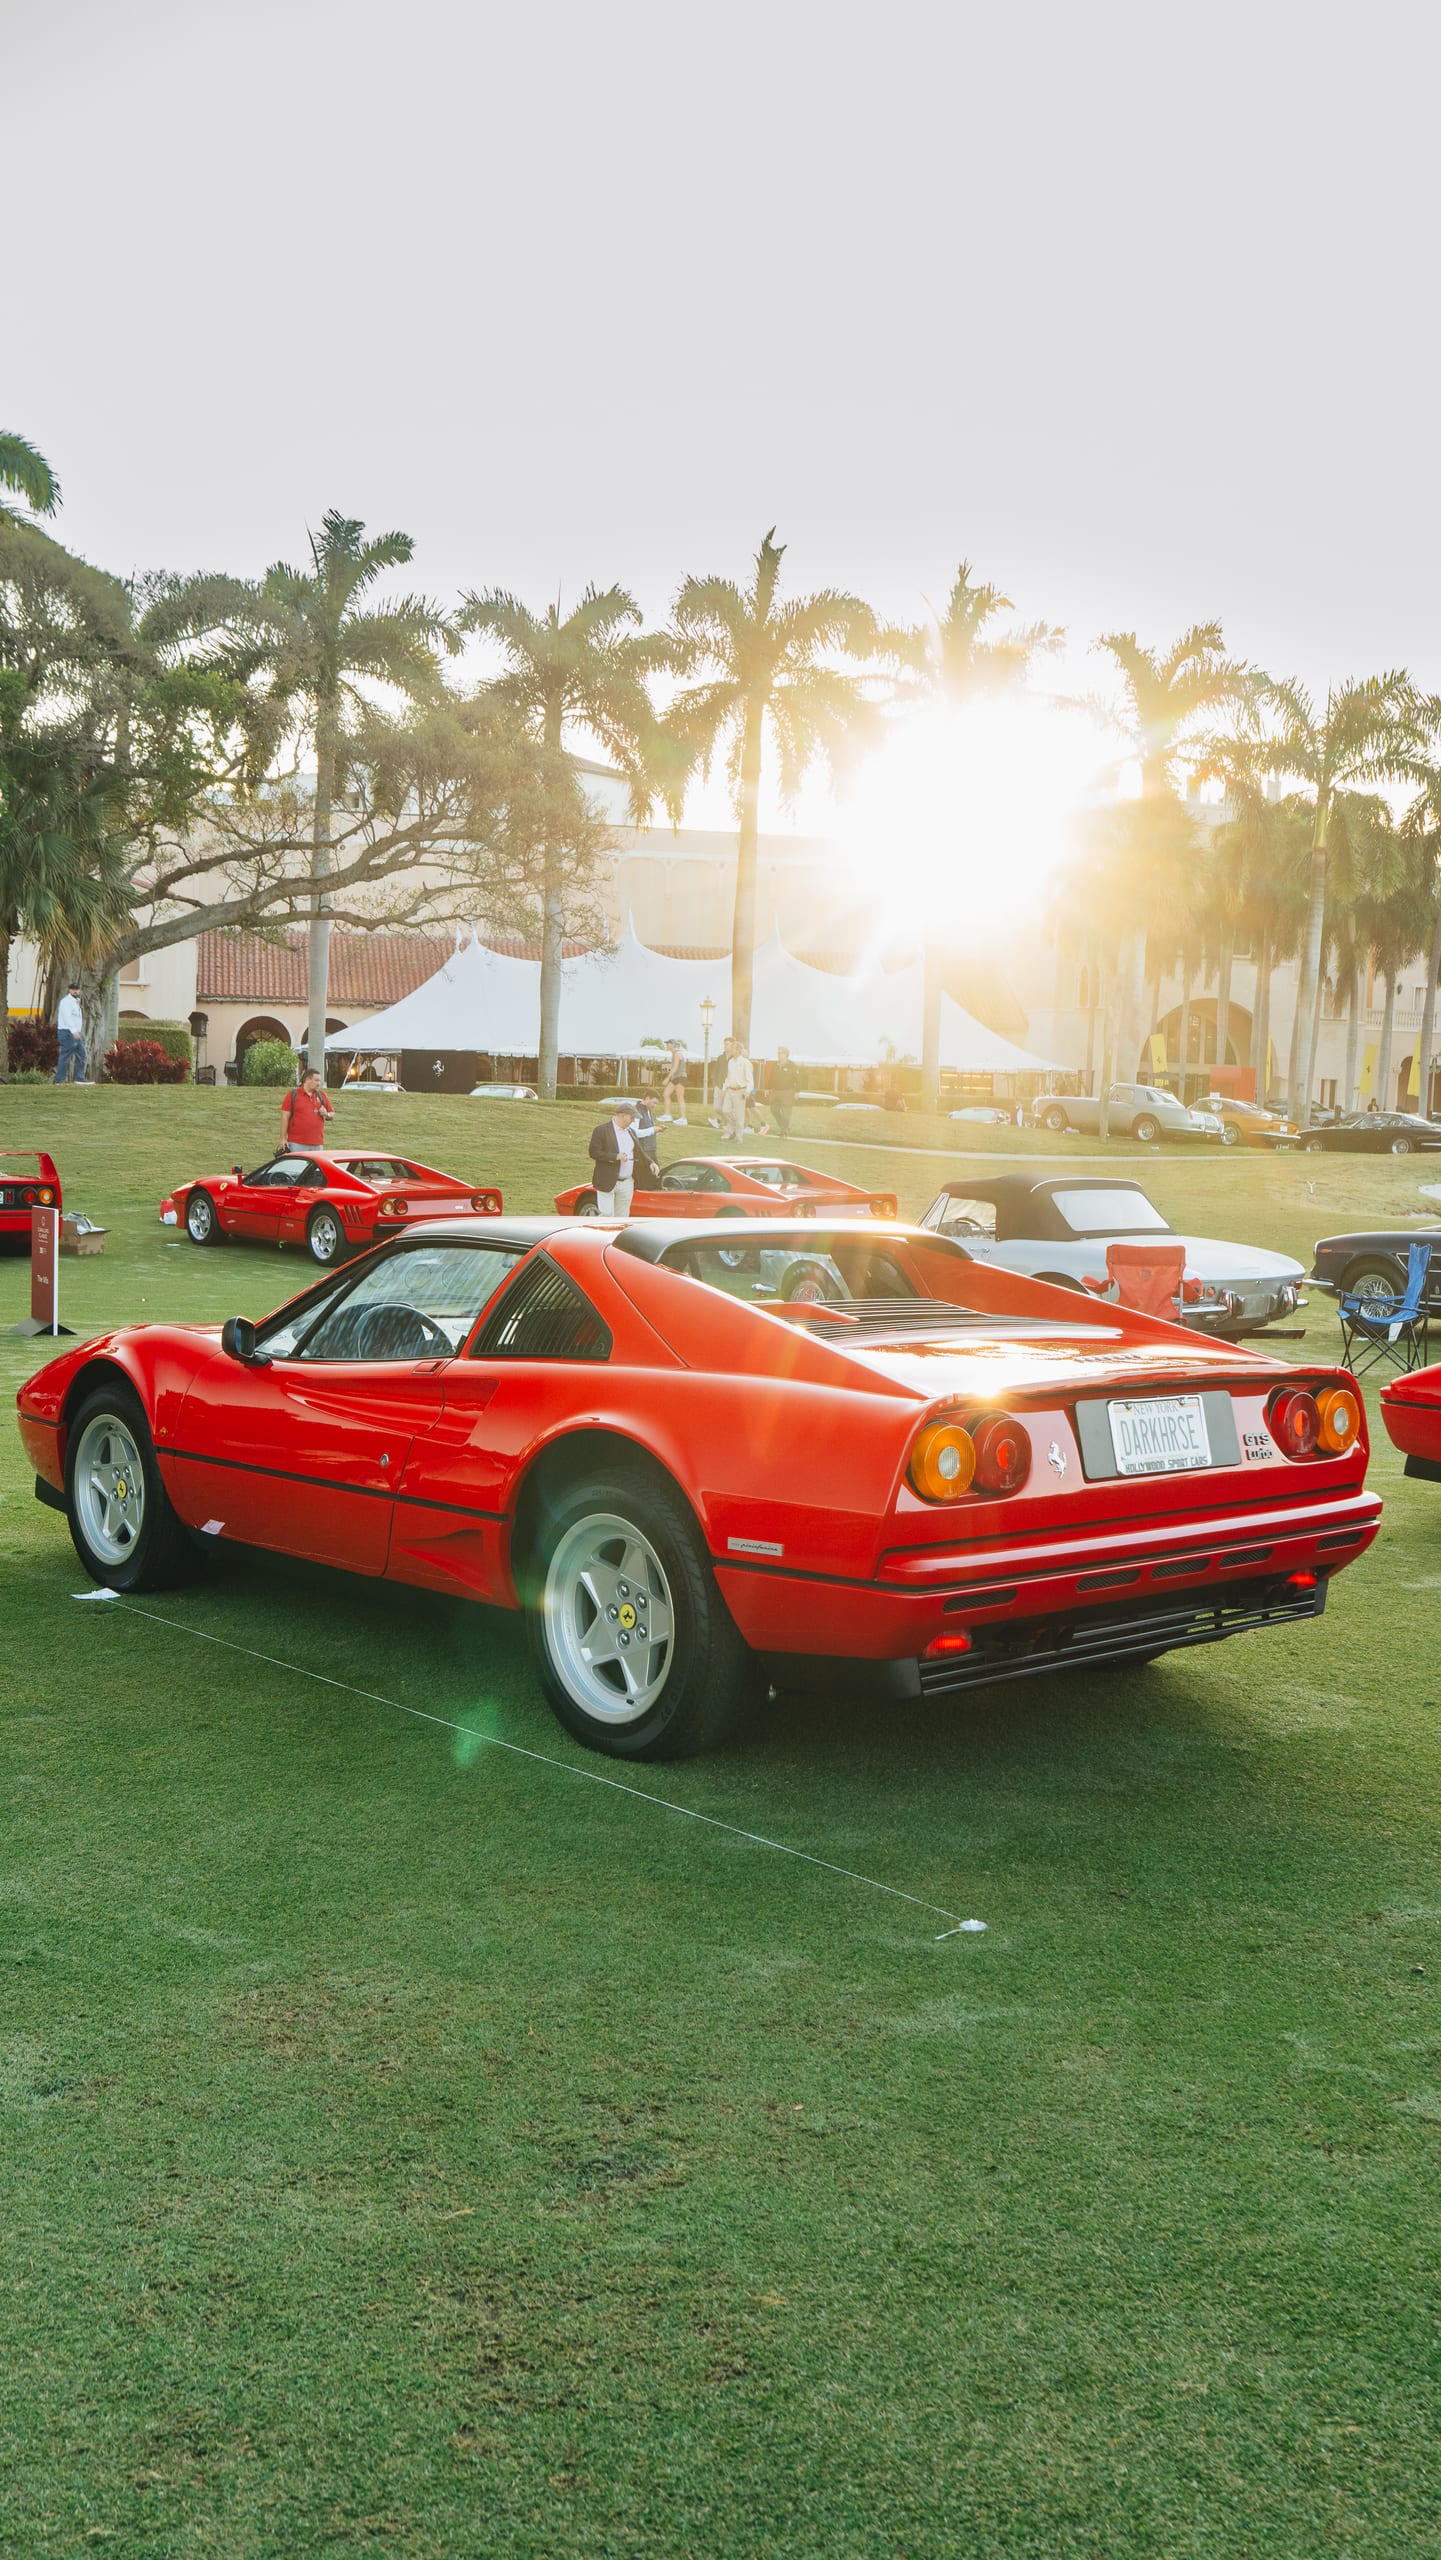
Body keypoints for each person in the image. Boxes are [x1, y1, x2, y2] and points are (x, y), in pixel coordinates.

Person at [589, 1100, 638, 1215]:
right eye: (632, 1118)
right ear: (623, 1116)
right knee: (607, 1215)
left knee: (623, 1217)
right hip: (607, 1180)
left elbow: (639, 1152)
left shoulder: (631, 1132)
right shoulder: (601, 1130)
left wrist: (651, 1163)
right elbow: (594, 1152)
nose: (633, 1121)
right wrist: (615, 1156)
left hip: (627, 1182)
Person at [280, 1064, 334, 1151]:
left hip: (317, 1143)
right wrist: (283, 1138)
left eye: (319, 1081)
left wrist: (326, 1114)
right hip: (296, 1142)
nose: (318, 1083)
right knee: (297, 1165)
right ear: (308, 1080)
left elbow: (332, 1113)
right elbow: (284, 1117)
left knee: (317, 1165)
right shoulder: (293, 1094)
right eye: (316, 1080)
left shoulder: (322, 1095)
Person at [720, 1036, 754, 1140]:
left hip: (740, 1092)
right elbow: (728, 1077)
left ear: (738, 1050)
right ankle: (732, 1128)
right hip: (730, 1090)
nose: (730, 1049)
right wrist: (724, 1088)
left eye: (733, 1048)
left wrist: (747, 1092)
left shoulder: (745, 1062)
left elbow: (750, 1079)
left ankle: (738, 1137)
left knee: (740, 1116)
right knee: (725, 1110)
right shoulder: (730, 1062)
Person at [53, 984, 86, 1084]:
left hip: (74, 1032)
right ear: (69, 990)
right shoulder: (66, 1002)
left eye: (77, 989)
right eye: (73, 989)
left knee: (82, 1054)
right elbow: (67, 1017)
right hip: (67, 1032)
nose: (75, 991)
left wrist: (76, 1031)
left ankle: (80, 1078)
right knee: (66, 1056)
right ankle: (60, 1079)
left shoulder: (77, 1001)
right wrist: (74, 1031)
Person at [769, 1044, 802, 1136]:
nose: (778, 1055)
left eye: (780, 1053)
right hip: (775, 1092)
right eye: (778, 1053)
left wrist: (797, 1092)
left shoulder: (792, 1065)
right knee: (774, 1110)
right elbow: (771, 1078)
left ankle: (783, 1131)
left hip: (788, 1092)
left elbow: (798, 1079)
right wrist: (768, 1089)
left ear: (786, 1054)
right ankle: (784, 1128)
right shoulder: (775, 1065)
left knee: (786, 1114)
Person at [631, 1090, 661, 1184]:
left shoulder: (649, 1111)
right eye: (654, 1102)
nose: (655, 1105)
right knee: (646, 1181)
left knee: (656, 1177)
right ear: (647, 1098)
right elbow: (633, 1133)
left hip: (651, 1150)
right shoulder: (636, 1110)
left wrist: (656, 1131)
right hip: (642, 1152)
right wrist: (652, 1130)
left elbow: (646, 1130)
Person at [662, 1040, 688, 1125]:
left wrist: (667, 1078)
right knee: (666, 1094)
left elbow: (675, 1068)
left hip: (680, 1077)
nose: (666, 1045)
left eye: (668, 1044)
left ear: (672, 1045)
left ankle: (683, 1119)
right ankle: (667, 1115)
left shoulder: (677, 1053)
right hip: (676, 1078)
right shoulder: (674, 1054)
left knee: (680, 1097)